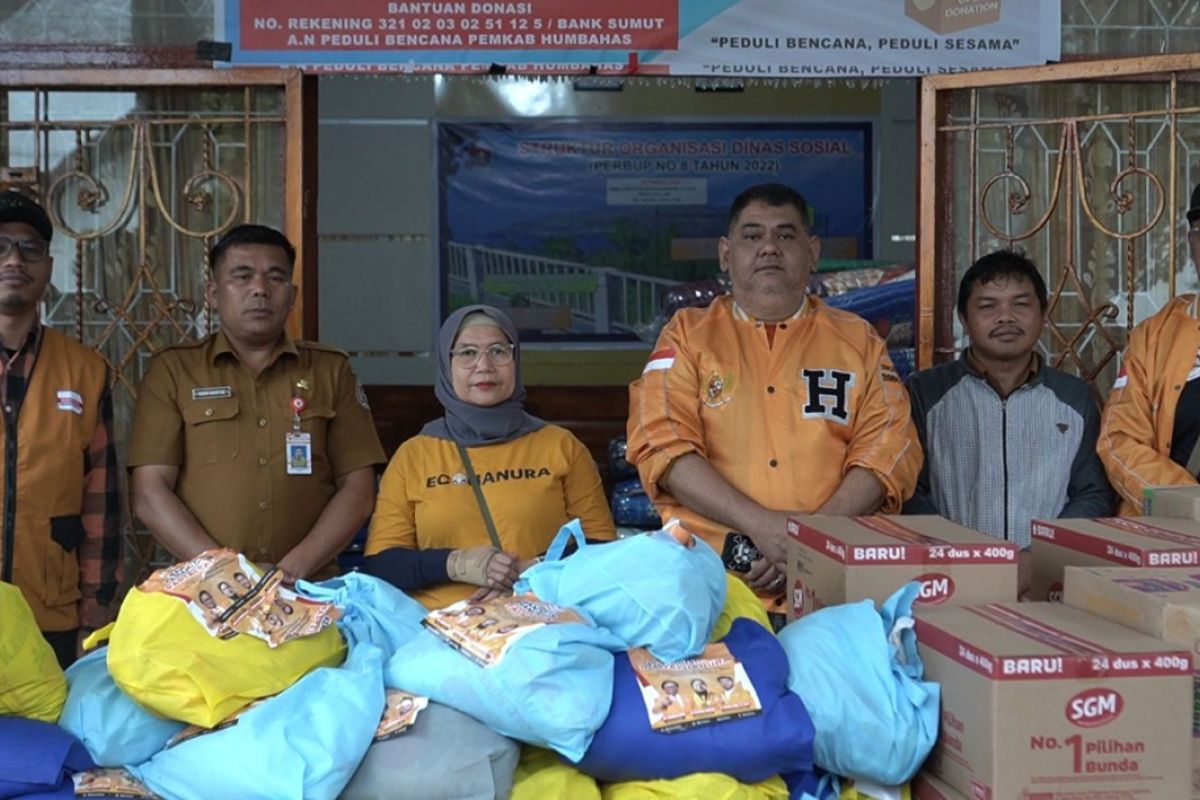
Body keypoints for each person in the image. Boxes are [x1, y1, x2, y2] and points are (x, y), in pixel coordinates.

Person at [626, 183, 921, 609]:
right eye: (752, 236)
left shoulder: (858, 340)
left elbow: (891, 449)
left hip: (833, 589)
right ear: (725, 253)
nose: (769, 248)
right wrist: (761, 527)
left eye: (785, 235)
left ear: (812, 252)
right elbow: (661, 443)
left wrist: (811, 539)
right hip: (710, 586)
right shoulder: (687, 336)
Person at [129, 224, 385, 582]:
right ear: (213, 293)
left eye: (275, 277)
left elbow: (358, 490)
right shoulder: (174, 371)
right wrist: (229, 573)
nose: (260, 289)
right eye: (242, 276)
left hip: (310, 587)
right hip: (206, 590)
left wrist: (290, 571)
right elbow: (150, 492)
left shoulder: (330, 371)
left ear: (292, 295)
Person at [364, 304, 615, 610]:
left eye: (498, 351)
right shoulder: (414, 456)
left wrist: (532, 569)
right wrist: (457, 564)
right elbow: (382, 565)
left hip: (544, 616)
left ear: (515, 359)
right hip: (440, 624)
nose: (484, 365)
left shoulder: (561, 446)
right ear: (446, 364)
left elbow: (604, 550)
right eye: (467, 353)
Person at [904, 250, 1113, 591]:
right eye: (988, 306)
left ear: (1043, 314)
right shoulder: (925, 393)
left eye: (1021, 304)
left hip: (1047, 584)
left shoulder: (1074, 397)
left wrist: (1038, 556)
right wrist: (961, 553)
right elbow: (907, 491)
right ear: (963, 318)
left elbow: (1093, 494)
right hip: (948, 579)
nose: (1006, 317)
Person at [0, 191, 121, 668]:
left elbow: (102, 500)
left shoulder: (84, 370)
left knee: (49, 718)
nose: (14, 260)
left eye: (29, 249)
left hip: (49, 612)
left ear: (48, 268)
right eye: (1, 246)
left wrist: (96, 610)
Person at [1099, 184, 1200, 514]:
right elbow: (1119, 440)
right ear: (1191, 243)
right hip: (1170, 531)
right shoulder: (1155, 335)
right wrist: (1188, 505)